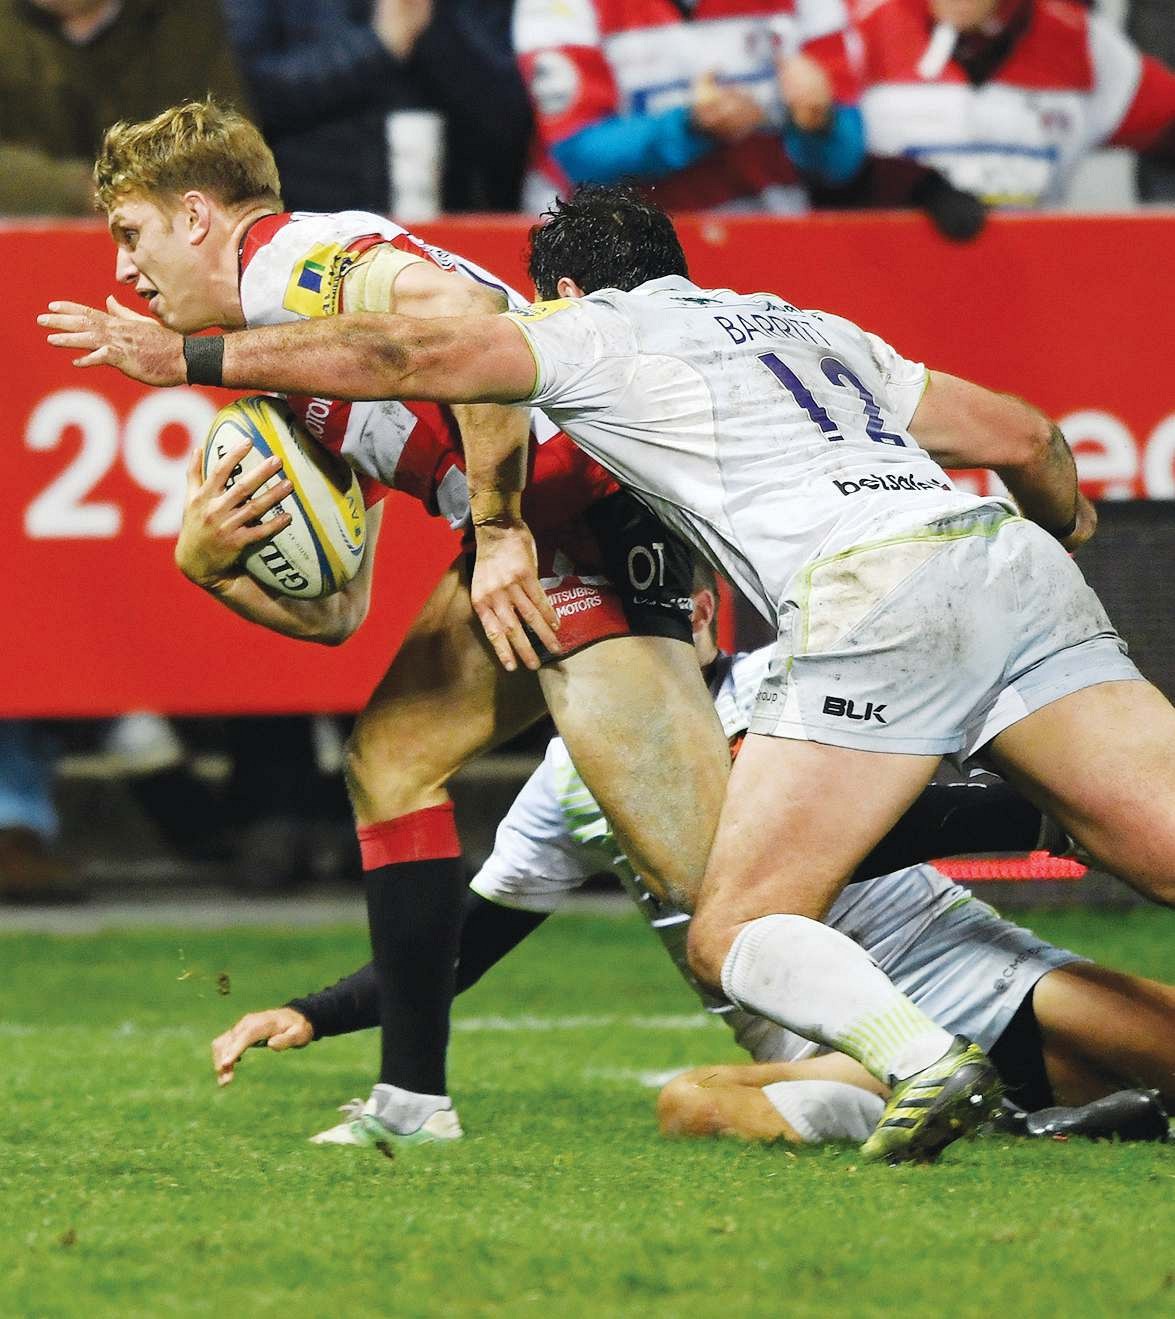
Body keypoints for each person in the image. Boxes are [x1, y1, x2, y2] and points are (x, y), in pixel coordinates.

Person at [46, 184, 1175, 1166]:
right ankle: (993, 1002)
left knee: (730, 925)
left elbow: (415, 351)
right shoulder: (813, 326)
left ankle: (925, 1060)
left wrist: (184, 360)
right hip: (1010, 560)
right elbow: (1027, 438)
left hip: (871, 593)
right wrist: (1060, 530)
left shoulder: (588, 332)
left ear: (565, 289)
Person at [43, 107, 733, 1148]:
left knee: (713, 870)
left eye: (131, 233)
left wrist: (496, 528)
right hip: (545, 524)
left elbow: (469, 322)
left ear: (195, 217)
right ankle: (412, 1104)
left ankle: (979, 877)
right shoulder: (283, 369)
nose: (124, 270)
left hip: (586, 504)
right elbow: (337, 614)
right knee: (391, 760)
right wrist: (207, 567)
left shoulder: (290, 260)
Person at [210, 571, 1173, 1148]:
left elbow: (880, 827)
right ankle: (1000, 1111)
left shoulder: (789, 686)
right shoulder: (569, 778)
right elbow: (461, 944)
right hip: (826, 1046)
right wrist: (312, 1011)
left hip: (966, 965)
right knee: (691, 1103)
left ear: (706, 610)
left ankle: (1018, 1105)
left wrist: (1046, 813)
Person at [512, 0, 865, 213]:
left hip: (767, 234)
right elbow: (578, 154)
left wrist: (820, 122)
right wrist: (691, 126)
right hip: (610, 243)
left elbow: (844, 161)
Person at [849, 0, 1175, 212]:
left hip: (1031, 279)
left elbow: (1165, 118)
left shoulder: (1079, 42)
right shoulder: (857, 27)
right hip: (881, 274)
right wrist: (908, 184)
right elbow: (822, 158)